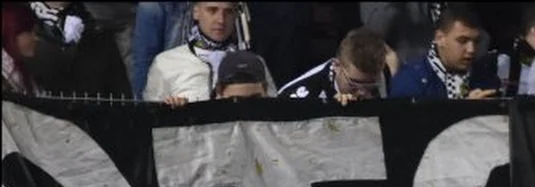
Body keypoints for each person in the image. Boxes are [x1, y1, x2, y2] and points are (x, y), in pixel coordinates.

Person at [143, 2, 275, 106]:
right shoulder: (165, 63)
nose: (221, 20)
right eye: (212, 10)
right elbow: (151, 122)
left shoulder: (254, 63)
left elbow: (275, 117)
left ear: (235, 15)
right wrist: (174, 113)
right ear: (196, 12)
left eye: (228, 12)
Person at [388, 3, 500, 100]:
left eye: (476, 41)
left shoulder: (486, 79)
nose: (471, 49)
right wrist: (467, 109)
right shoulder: (411, 80)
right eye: (462, 41)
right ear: (440, 38)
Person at [280, 26, 389, 104]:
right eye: (354, 85)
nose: (362, 92)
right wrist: (333, 109)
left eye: (370, 86)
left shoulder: (383, 73)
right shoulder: (296, 99)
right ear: (337, 66)